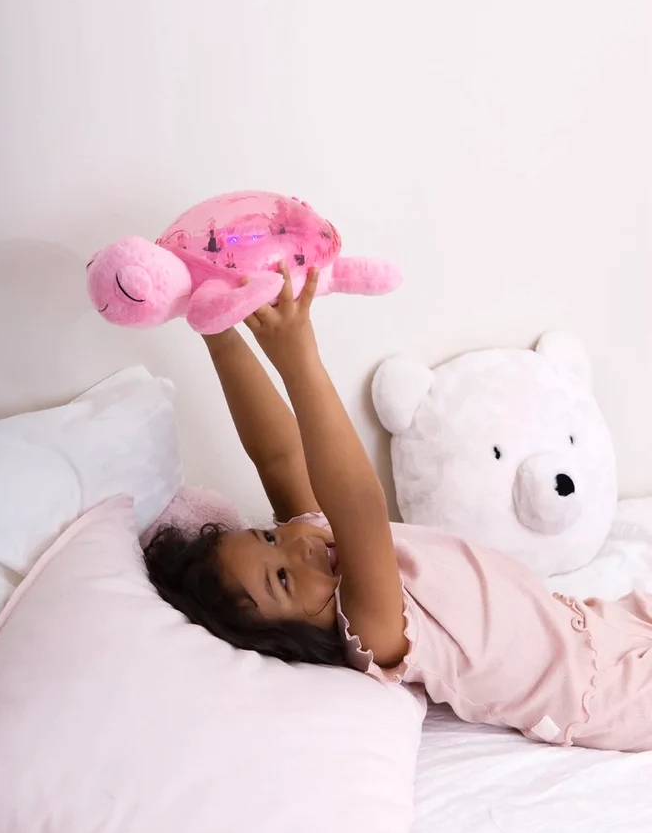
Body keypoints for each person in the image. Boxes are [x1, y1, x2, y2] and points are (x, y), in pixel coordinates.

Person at [145, 264, 652, 753]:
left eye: (269, 537)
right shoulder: (370, 626)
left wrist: (216, 329)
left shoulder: (317, 541)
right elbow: (359, 505)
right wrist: (298, 358)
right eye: (281, 580)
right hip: (602, 695)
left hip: (590, 623)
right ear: (294, 640)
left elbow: (278, 457)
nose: (297, 549)